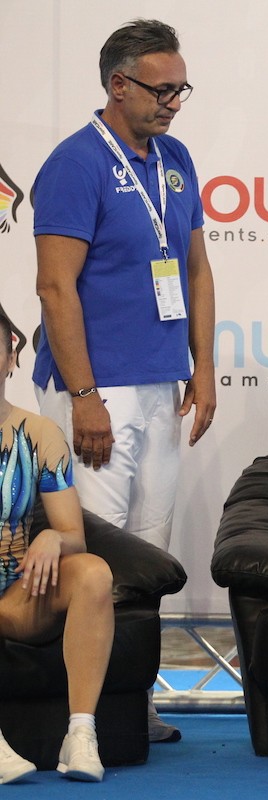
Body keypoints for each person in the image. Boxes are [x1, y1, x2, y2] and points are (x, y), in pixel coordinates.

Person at [31, 19, 216, 743]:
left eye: (181, 90)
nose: (174, 103)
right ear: (118, 84)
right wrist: (83, 397)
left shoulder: (176, 157)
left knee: (149, 549)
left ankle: (132, 702)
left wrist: (202, 367)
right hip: (95, 389)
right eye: (162, 90)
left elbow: (196, 269)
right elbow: (55, 287)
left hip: (161, 381)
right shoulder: (75, 164)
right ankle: (81, 711)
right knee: (94, 558)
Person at [0, 309, 114, 783]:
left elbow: (74, 535)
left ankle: (80, 734)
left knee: (93, 573)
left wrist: (52, 535)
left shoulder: (41, 433)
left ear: (11, 356)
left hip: (15, 594)